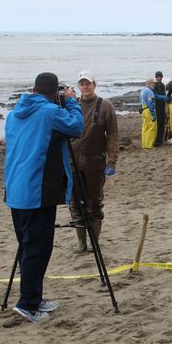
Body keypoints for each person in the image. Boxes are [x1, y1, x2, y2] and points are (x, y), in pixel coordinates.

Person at [5, 72, 84, 323]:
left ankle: (35, 299)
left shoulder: (14, 114)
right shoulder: (49, 113)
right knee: (38, 250)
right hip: (37, 192)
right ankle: (27, 304)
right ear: (53, 93)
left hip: (15, 190)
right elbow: (76, 126)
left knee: (28, 248)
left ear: (33, 89)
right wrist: (70, 101)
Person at [70, 71, 119, 253]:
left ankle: (94, 242)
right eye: (82, 84)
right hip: (73, 162)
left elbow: (113, 135)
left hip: (95, 163)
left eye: (88, 83)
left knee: (95, 203)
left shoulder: (105, 106)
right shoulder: (72, 105)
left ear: (94, 84)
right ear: (78, 86)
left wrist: (112, 161)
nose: (85, 86)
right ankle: (81, 243)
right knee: (76, 204)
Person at [141, 78, 158, 149]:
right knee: (152, 128)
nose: (154, 84)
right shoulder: (149, 91)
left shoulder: (143, 90)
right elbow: (150, 102)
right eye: (153, 83)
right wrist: (153, 113)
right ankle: (149, 145)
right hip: (148, 110)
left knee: (145, 128)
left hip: (143, 110)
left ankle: (144, 145)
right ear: (149, 83)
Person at [153, 71, 167, 146]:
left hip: (162, 105)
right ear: (156, 78)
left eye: (160, 77)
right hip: (157, 105)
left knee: (162, 122)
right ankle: (156, 140)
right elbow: (154, 95)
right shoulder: (154, 85)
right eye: (158, 77)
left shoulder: (163, 85)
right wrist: (162, 97)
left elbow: (164, 94)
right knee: (157, 123)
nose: (159, 78)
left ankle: (161, 139)